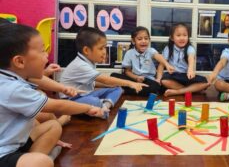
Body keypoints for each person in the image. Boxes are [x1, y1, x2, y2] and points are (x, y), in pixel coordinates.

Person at [0, 23, 105, 167]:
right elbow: (58, 105)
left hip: (18, 142)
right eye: (42, 51)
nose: (47, 55)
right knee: (42, 162)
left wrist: (64, 89)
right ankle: (42, 157)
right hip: (4, 152)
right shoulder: (11, 88)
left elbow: (40, 82)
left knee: (53, 126)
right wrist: (87, 108)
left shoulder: (13, 77)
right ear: (19, 61)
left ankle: (35, 156)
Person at [60, 27, 147, 117]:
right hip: (71, 100)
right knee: (94, 101)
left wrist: (112, 85)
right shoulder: (80, 65)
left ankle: (104, 106)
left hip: (86, 94)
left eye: (105, 47)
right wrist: (130, 83)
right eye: (101, 48)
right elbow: (104, 79)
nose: (105, 52)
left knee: (118, 88)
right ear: (86, 50)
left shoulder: (88, 62)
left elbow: (94, 83)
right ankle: (101, 105)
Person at [111, 26, 174, 96]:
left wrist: (167, 64)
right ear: (133, 41)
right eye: (140, 39)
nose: (143, 41)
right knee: (113, 76)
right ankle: (137, 89)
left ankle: (125, 91)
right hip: (134, 79)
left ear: (149, 40)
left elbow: (158, 56)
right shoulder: (129, 53)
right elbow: (127, 72)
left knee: (156, 87)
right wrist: (136, 78)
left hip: (148, 81)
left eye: (146, 38)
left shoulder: (151, 51)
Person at [157, 23, 209, 96]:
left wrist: (190, 69)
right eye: (178, 35)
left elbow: (191, 58)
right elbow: (161, 64)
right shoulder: (168, 48)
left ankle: (178, 92)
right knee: (164, 80)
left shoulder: (190, 48)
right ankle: (191, 90)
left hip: (187, 76)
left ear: (188, 37)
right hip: (174, 76)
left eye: (185, 35)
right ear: (172, 38)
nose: (182, 38)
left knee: (206, 82)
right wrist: (158, 78)